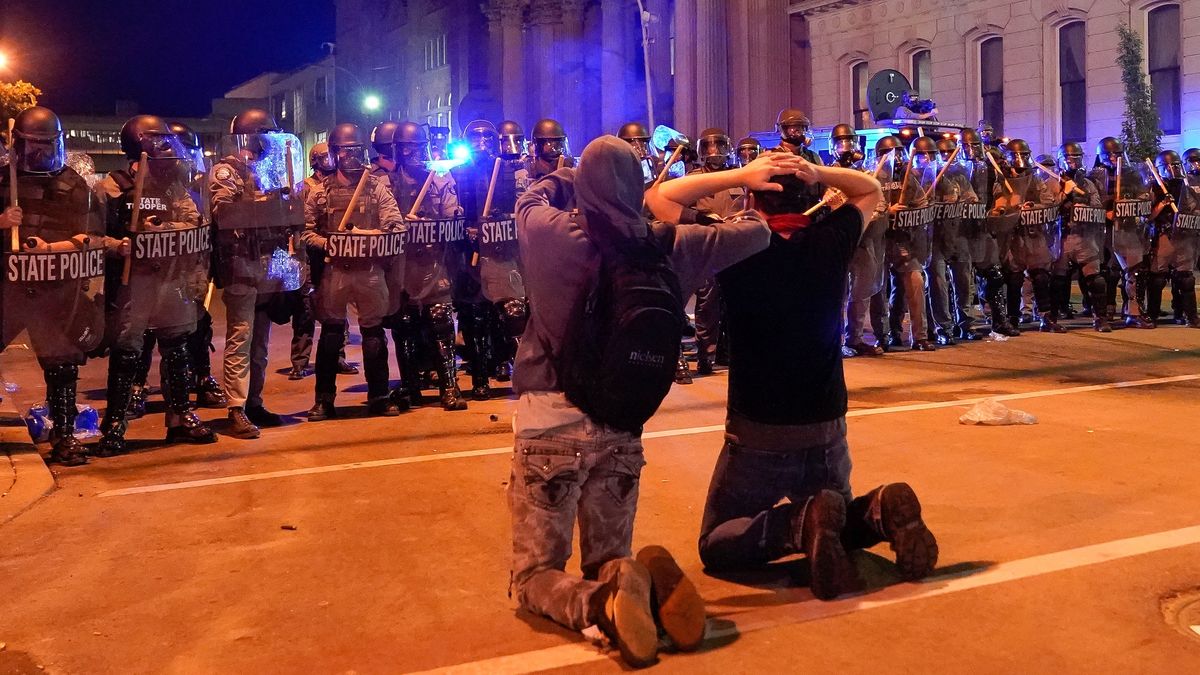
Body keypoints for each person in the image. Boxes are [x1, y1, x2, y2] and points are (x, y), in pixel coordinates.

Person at [509, 137, 805, 667]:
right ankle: (621, 581)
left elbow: (529, 197)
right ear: (639, 185)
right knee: (610, 556)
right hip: (623, 426)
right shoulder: (673, 244)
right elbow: (759, 233)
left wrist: (563, 174)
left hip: (547, 425)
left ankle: (598, 603)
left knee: (534, 576)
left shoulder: (549, 233)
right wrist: (740, 177)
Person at [698, 151, 938, 602]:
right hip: (825, 422)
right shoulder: (833, 237)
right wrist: (820, 172)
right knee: (839, 514)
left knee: (716, 543)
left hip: (758, 429)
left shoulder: (736, 244)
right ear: (811, 197)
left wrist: (743, 174)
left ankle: (798, 523)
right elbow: (869, 188)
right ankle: (878, 510)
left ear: (754, 198)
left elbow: (661, 199)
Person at [0, 106, 115, 465]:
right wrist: (2, 221)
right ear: (19, 144)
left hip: (55, 287)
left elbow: (90, 236)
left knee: (62, 364)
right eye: (34, 145)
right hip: (9, 288)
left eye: (48, 145)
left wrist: (53, 249)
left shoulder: (73, 183)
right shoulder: (3, 180)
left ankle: (64, 438)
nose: (42, 153)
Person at [94, 115, 216, 455]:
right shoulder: (112, 187)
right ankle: (115, 425)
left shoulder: (172, 186)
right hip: (133, 283)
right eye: (157, 140)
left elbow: (192, 221)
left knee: (176, 348)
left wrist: (162, 228)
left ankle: (180, 417)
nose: (165, 147)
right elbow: (88, 235)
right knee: (127, 352)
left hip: (170, 280)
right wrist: (117, 245)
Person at [301, 123, 407, 420]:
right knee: (331, 335)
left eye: (355, 152)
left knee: (373, 334)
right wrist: (330, 244)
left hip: (369, 270)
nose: (350, 158)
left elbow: (395, 227)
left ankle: (379, 396)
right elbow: (307, 233)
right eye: (344, 153)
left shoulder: (376, 187)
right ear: (334, 154)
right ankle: (324, 399)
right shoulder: (320, 193)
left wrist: (366, 236)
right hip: (336, 271)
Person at [209, 108, 302, 437]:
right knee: (241, 337)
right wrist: (268, 203)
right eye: (263, 135)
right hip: (240, 264)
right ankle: (235, 406)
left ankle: (254, 402)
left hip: (269, 263)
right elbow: (223, 211)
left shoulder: (274, 171)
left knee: (261, 342)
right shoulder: (226, 171)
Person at [388, 121, 468, 411]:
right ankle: (410, 387)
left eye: (414, 147)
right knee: (405, 325)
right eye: (404, 148)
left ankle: (449, 386)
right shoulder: (383, 181)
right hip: (402, 266)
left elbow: (451, 214)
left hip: (435, 261)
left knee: (442, 321)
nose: (409, 153)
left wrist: (448, 219)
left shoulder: (440, 178)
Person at [684, 128, 742, 377]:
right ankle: (706, 353)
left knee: (734, 301)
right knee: (707, 302)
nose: (715, 152)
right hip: (706, 248)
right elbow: (681, 213)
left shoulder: (737, 176)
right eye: (709, 147)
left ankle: (729, 351)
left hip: (734, 247)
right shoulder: (693, 178)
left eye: (719, 146)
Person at [998, 139, 1062, 333]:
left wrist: (1033, 207)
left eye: (1024, 155)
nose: (1020, 160)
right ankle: (1013, 318)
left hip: (1034, 235)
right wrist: (1009, 207)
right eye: (1016, 156)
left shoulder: (1034, 178)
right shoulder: (1001, 179)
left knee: (1041, 277)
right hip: (1012, 237)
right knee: (1014, 279)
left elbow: (1048, 201)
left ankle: (1045, 317)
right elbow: (997, 204)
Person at [1090, 137, 1154, 329]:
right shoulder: (1093, 177)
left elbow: (1141, 196)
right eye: (1109, 154)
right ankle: (1101, 313)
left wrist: (1145, 197)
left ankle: (1133, 312)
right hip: (1101, 230)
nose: (1113, 157)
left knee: (1134, 270)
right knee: (1103, 274)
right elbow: (1087, 201)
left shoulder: (1131, 174)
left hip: (1126, 227)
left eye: (1116, 153)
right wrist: (1104, 210)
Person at [880, 135, 936, 351]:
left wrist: (914, 211)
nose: (898, 158)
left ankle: (919, 336)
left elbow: (921, 202)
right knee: (879, 293)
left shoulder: (908, 178)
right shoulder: (873, 177)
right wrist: (887, 210)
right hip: (881, 241)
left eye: (900, 153)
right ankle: (885, 334)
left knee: (915, 283)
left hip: (904, 240)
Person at [1048, 142, 1109, 332]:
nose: (1072, 163)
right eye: (1068, 159)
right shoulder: (1051, 182)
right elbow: (1048, 209)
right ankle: (1051, 318)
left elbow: (1098, 207)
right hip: (1062, 236)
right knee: (1057, 281)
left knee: (1096, 279)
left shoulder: (1088, 183)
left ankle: (1100, 318)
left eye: (1076, 158)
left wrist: (1087, 209)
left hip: (1084, 236)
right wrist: (1065, 192)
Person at [926, 136, 979, 344]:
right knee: (938, 283)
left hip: (958, 234)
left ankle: (966, 323)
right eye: (943, 154)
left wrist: (961, 200)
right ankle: (943, 327)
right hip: (935, 237)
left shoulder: (960, 177)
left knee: (964, 280)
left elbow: (972, 199)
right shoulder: (926, 177)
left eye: (950, 153)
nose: (947, 158)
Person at [1146, 150, 1200, 327]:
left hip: (1185, 236)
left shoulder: (1187, 186)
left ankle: (1190, 315)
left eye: (1177, 166)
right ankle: (1152, 314)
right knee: (1157, 278)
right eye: (1170, 166)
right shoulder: (1154, 187)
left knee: (1186, 278)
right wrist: (1162, 204)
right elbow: (1148, 216)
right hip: (1164, 235)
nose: (1173, 169)